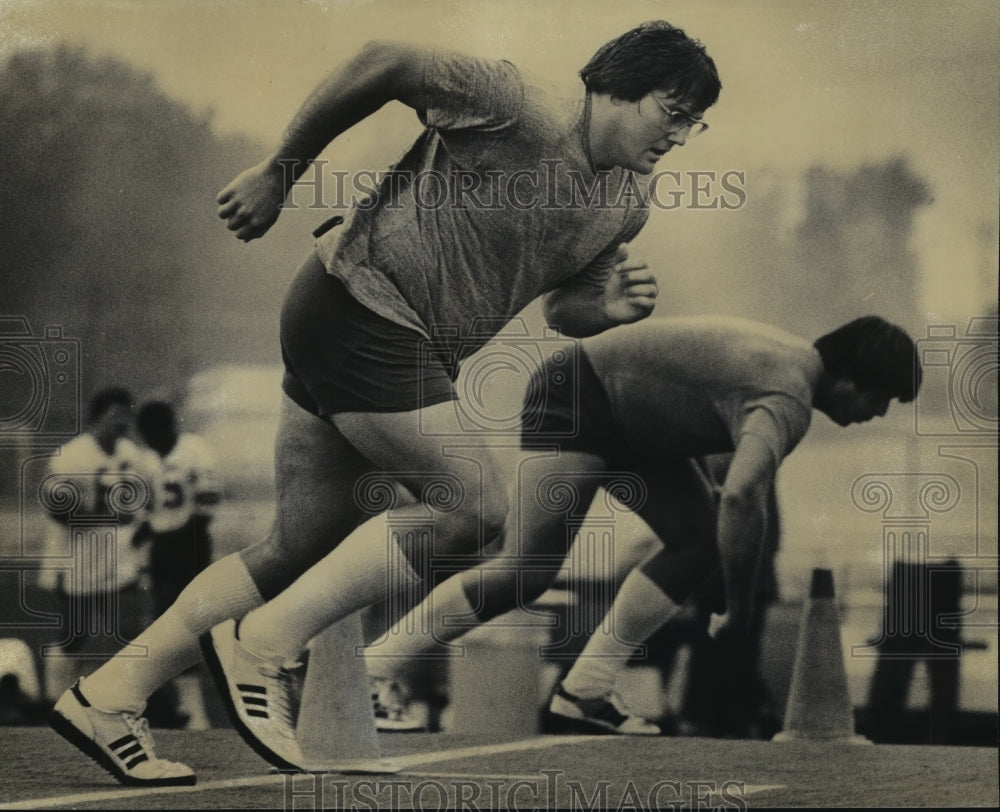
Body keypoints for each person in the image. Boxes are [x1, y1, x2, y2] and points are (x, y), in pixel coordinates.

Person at [49, 21, 721, 784]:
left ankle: (110, 693)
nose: (682, 135)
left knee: (297, 544)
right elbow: (386, 61)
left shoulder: (627, 206)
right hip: (358, 306)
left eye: (694, 121)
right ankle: (264, 646)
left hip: (373, 335)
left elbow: (560, 309)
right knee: (475, 508)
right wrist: (281, 170)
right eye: (673, 111)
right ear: (612, 87)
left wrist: (606, 311)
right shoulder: (519, 106)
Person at [359, 315, 922, 735]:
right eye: (883, 397)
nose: (878, 414)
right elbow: (744, 494)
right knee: (525, 572)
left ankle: (584, 693)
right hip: (579, 393)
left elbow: (727, 483)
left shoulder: (791, 365)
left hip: (633, 421)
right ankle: (370, 670)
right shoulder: (790, 394)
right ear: (853, 377)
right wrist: (743, 605)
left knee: (698, 545)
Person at [38, 388, 152, 704]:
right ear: (97, 418)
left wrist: (138, 531)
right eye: (115, 416)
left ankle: (113, 699)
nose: (122, 423)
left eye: (126, 415)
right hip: (77, 557)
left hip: (119, 557)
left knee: (125, 629)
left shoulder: (132, 454)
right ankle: (53, 698)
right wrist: (98, 515)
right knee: (76, 632)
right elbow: (57, 511)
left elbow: (149, 500)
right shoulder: (73, 456)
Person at [134, 401, 220, 730]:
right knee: (165, 620)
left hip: (191, 544)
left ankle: (193, 707)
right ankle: (183, 706)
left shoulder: (196, 451)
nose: (151, 440)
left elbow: (206, 506)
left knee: (189, 620)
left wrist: (174, 535)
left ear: (169, 426)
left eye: (154, 432)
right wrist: (146, 533)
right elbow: (150, 509)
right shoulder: (147, 460)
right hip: (162, 546)